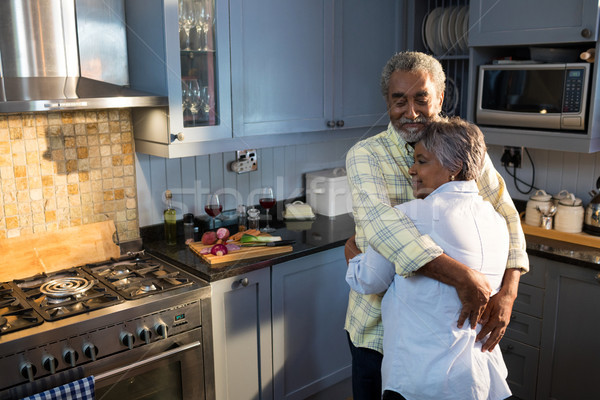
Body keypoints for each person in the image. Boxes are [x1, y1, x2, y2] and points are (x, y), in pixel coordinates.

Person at [344, 51, 528, 399]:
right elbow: (385, 229)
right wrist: (464, 277)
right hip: (378, 332)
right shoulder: (365, 155)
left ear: (440, 98)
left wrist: (508, 292)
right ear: (387, 101)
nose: (410, 112)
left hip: (451, 336)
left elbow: (505, 215)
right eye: (399, 101)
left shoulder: (464, 150)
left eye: (421, 99)